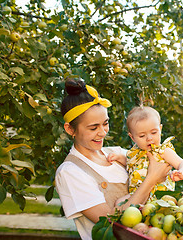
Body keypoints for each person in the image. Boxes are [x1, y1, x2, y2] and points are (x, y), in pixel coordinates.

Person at [55, 79, 171, 240]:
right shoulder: (70, 172)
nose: (103, 132)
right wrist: (151, 180)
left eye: (105, 123)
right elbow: (110, 220)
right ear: (70, 129)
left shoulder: (118, 153)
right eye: (93, 128)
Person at [112, 105, 183, 204]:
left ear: (160, 129)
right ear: (132, 137)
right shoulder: (134, 153)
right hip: (138, 195)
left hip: (160, 197)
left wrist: (182, 172)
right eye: (142, 135)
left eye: (153, 132)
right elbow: (131, 164)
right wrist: (120, 158)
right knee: (119, 203)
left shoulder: (162, 151)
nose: (149, 138)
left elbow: (182, 163)